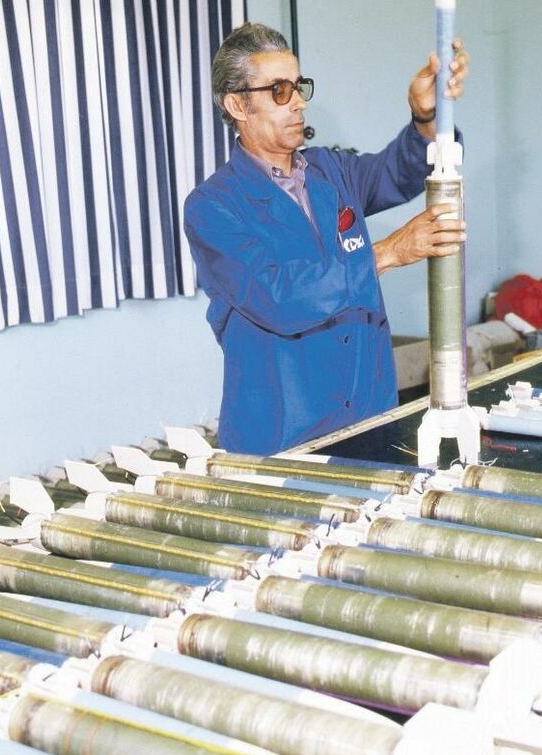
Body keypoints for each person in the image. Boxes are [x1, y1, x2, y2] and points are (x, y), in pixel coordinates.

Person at [184, 22, 469, 455]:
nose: (299, 102)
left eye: (299, 87)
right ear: (237, 105)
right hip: (284, 436)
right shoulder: (213, 206)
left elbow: (397, 171)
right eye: (279, 91)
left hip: (369, 415)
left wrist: (425, 117)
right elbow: (278, 296)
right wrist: (388, 252)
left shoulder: (330, 171)